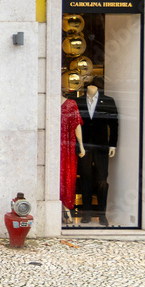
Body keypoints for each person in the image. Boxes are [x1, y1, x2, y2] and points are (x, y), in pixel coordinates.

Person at [73, 77, 117, 223]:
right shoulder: (78, 101)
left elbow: (114, 124)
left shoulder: (108, 100)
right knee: (85, 178)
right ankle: (86, 213)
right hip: (84, 146)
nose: (91, 87)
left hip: (101, 145)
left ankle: (102, 214)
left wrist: (112, 145)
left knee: (102, 179)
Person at [60, 93, 84, 221]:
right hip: (52, 146)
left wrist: (81, 145)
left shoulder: (71, 104)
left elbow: (77, 125)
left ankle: (66, 209)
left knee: (67, 177)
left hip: (67, 146)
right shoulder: (48, 103)